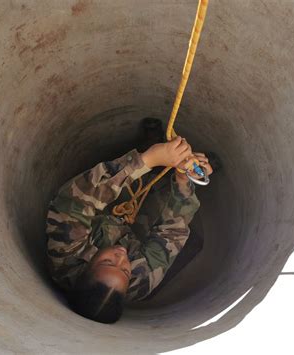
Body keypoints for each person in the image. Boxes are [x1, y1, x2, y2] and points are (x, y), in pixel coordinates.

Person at [46, 124, 213, 323]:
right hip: (132, 229)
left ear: (86, 268)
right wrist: (184, 180)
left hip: (102, 209)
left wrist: (149, 159)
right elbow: (172, 233)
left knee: (119, 182)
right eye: (125, 270)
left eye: (107, 262)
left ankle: (147, 146)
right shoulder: (141, 282)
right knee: (163, 204)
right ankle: (173, 169)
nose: (121, 257)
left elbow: (77, 199)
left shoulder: (65, 253)